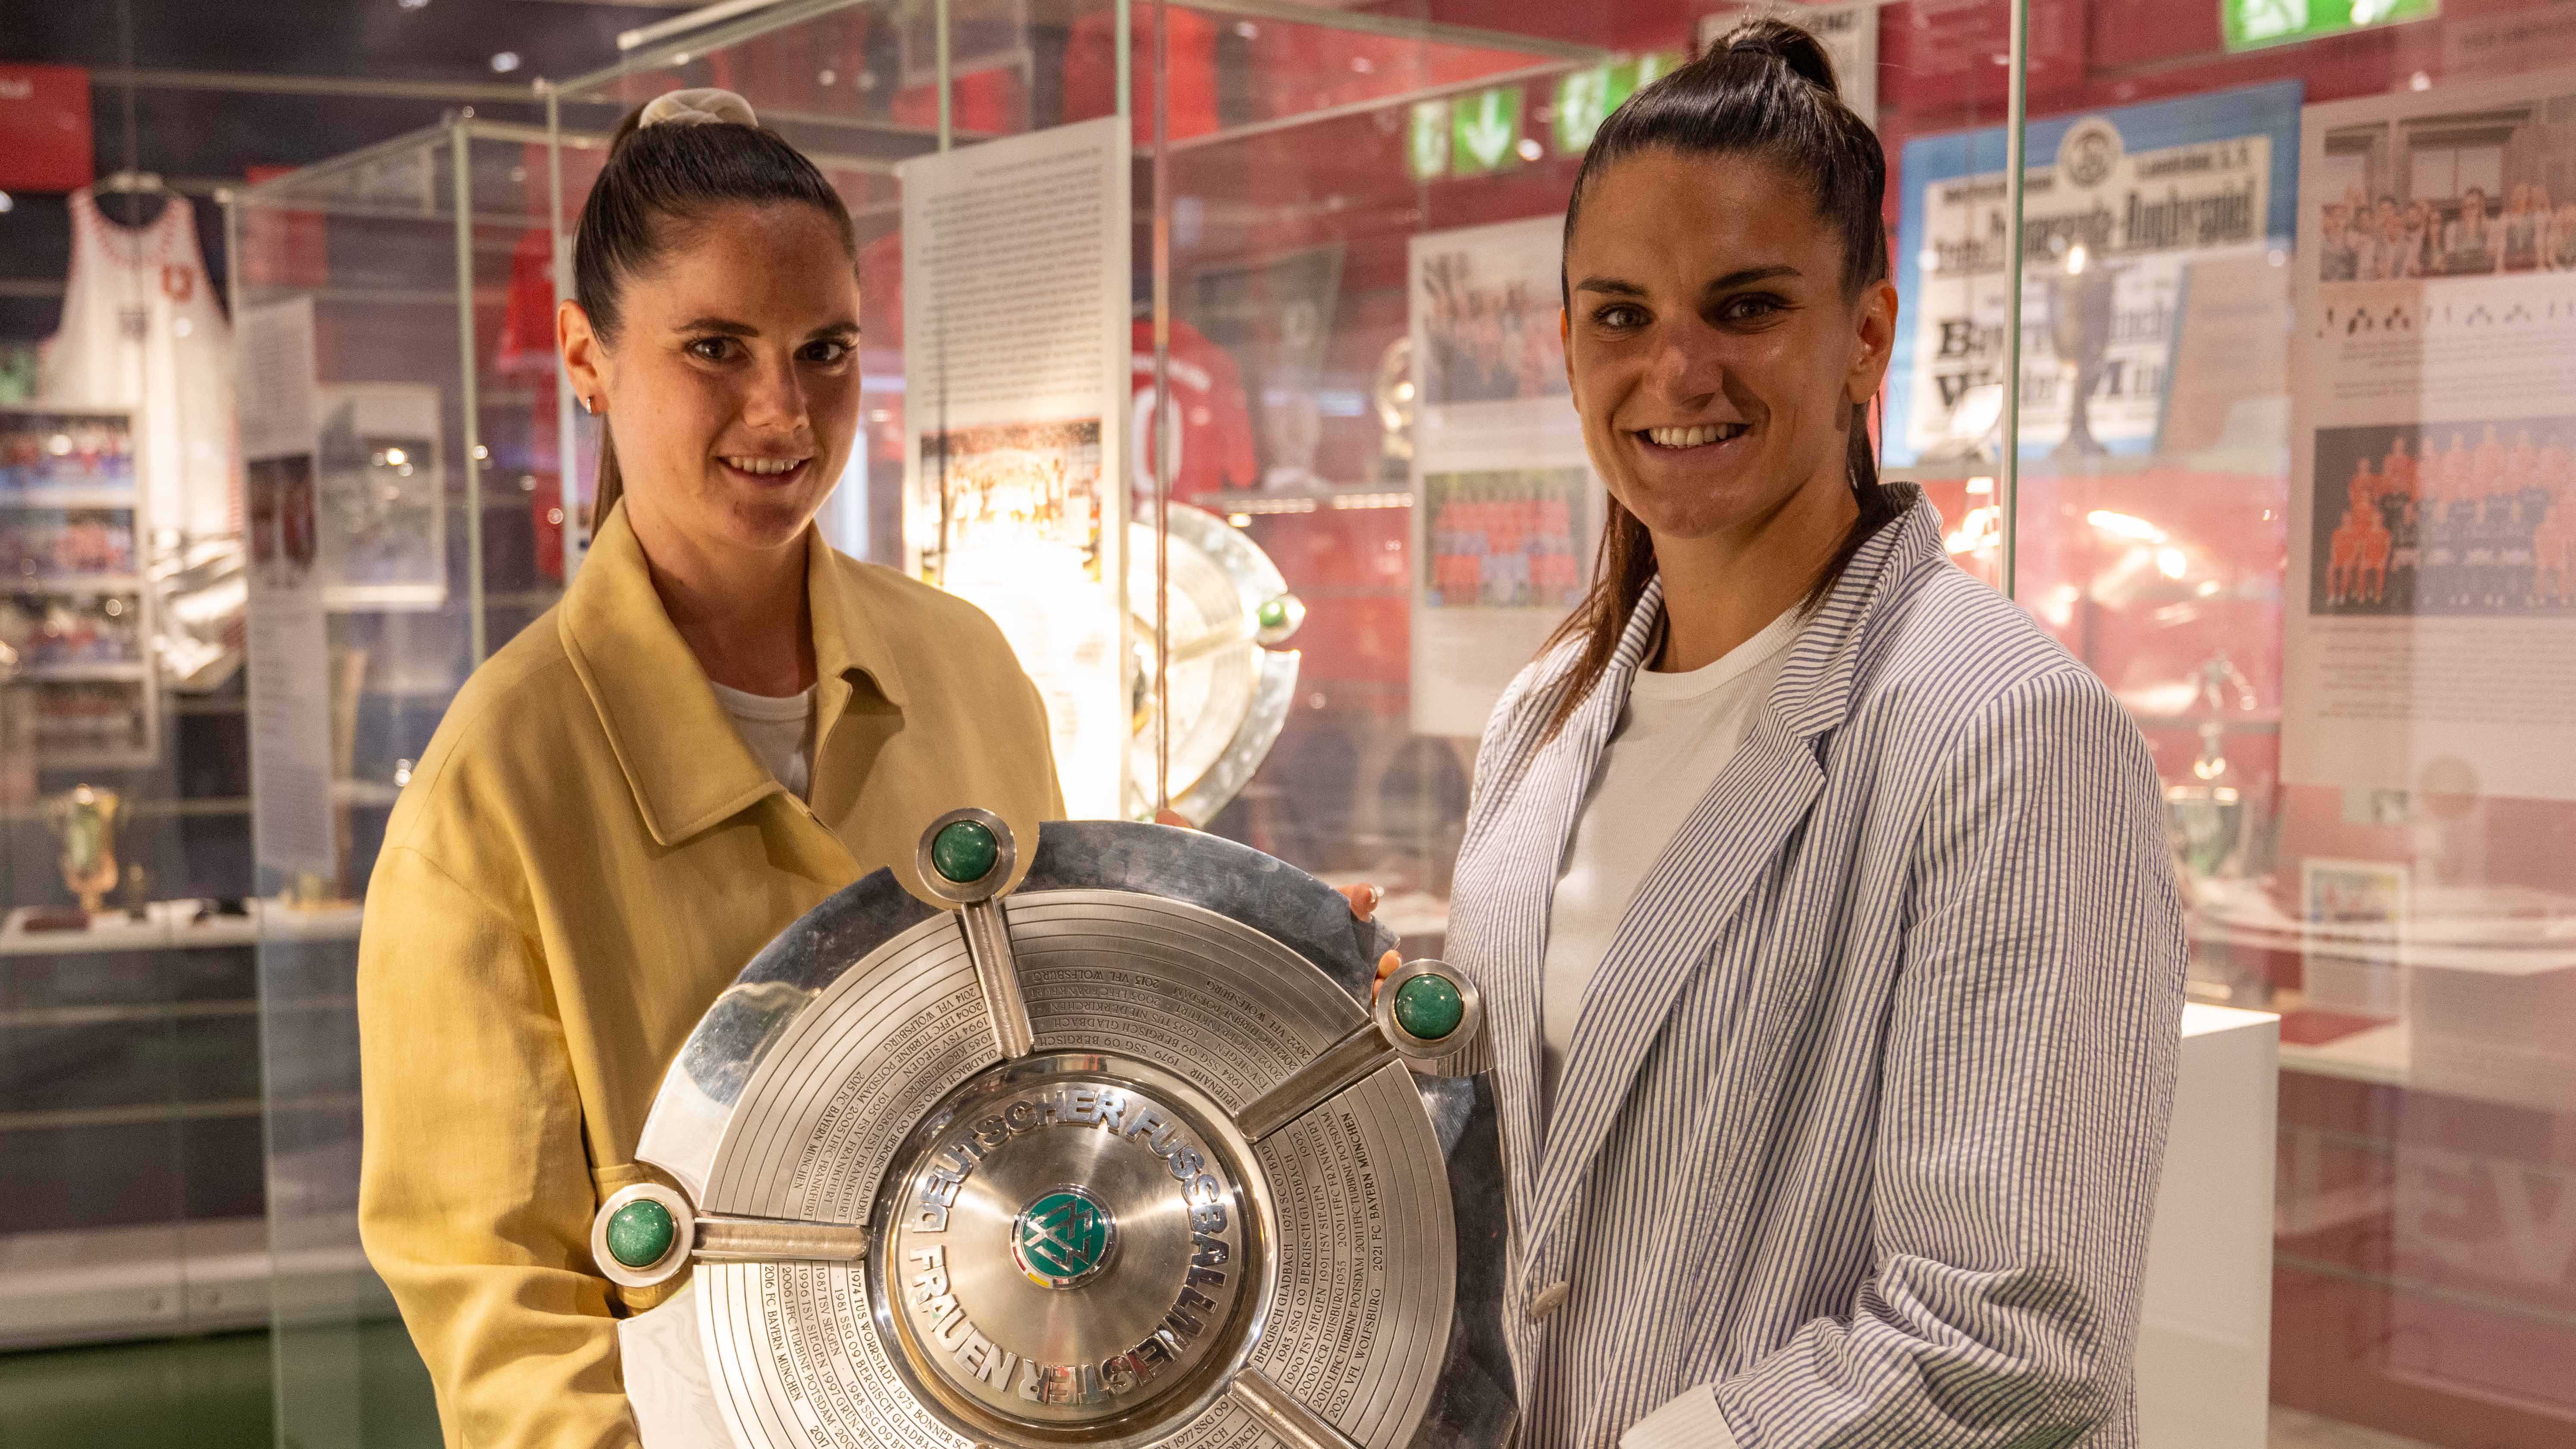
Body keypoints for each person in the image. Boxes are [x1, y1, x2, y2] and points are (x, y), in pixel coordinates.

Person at [353, 90, 1388, 1449]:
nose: (781, 410)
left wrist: (1263, 981)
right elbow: (500, 1303)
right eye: (715, 349)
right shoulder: (500, 781)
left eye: (824, 349)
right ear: (587, 357)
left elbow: (1062, 1050)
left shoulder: (966, 668)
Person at [1383, 19, 2183, 1449]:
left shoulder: (2003, 733)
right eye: (1620, 314)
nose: (1675, 370)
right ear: (1566, 342)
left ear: (1865, 334)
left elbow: (2012, 1334)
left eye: (1744, 306)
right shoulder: (1543, 715)